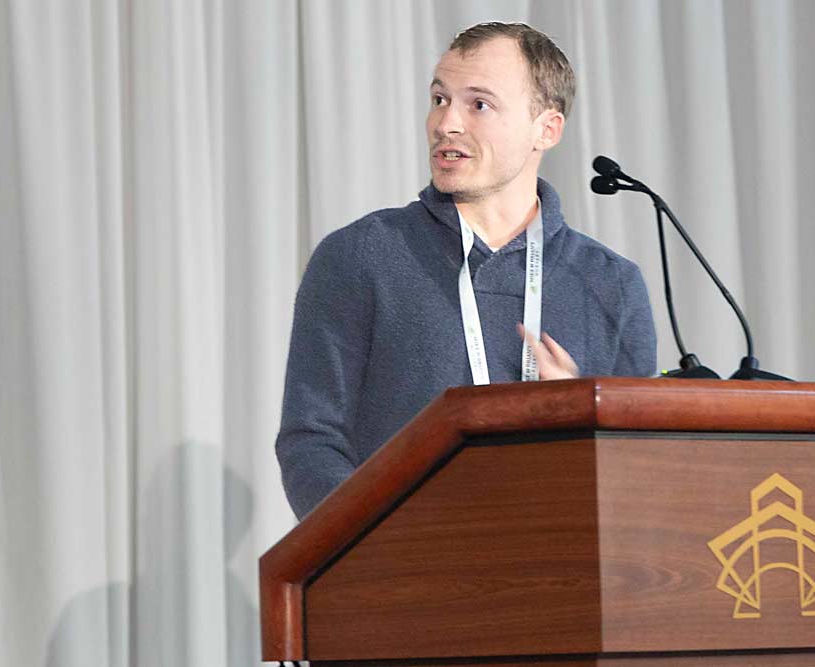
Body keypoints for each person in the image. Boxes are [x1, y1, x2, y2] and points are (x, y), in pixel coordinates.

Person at [276, 22, 656, 519]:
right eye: (439, 99)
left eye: (478, 104)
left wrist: (581, 417)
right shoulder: (360, 256)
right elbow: (312, 440)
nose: (445, 124)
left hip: (562, 578)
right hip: (404, 578)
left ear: (547, 128)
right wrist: (379, 552)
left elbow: (638, 478)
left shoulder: (612, 285)